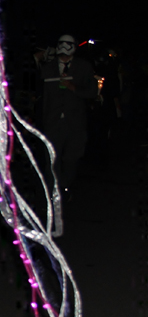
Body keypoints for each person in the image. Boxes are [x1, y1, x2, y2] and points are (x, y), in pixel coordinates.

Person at [39, 34, 98, 200]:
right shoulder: (49, 67)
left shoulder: (83, 67)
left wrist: (74, 88)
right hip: (53, 122)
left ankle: (65, 186)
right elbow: (42, 96)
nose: (65, 48)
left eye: (68, 44)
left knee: (71, 158)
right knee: (51, 159)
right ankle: (52, 193)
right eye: (62, 44)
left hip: (75, 123)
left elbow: (92, 92)